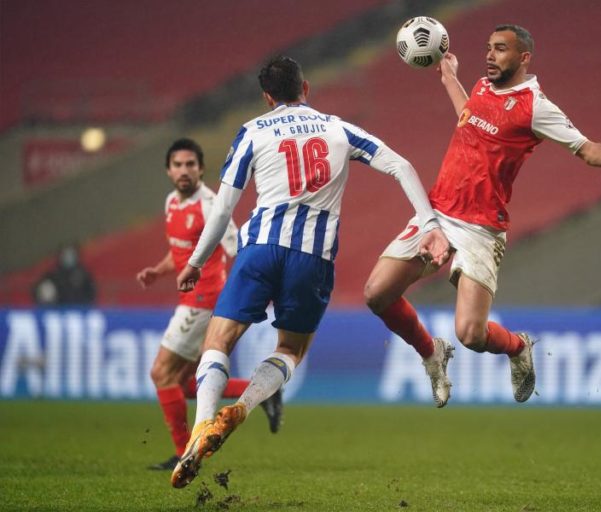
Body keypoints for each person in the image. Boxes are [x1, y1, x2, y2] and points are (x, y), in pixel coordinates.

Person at [170, 56, 450, 489]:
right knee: (290, 350)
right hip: (312, 259)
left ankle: (199, 429)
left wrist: (195, 262)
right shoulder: (338, 128)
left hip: (259, 250)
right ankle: (240, 410)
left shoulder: (253, 131)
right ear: (306, 87)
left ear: (267, 97)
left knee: (218, 342)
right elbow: (401, 166)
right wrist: (429, 223)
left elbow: (224, 208)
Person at [364, 24, 601, 407]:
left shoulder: (536, 106)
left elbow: (584, 148)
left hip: (480, 228)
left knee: (471, 334)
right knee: (377, 293)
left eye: (500, 49)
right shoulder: (481, 86)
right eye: (488, 48)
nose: (489, 56)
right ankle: (432, 352)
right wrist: (450, 78)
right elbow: (471, 118)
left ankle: (518, 348)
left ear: (524, 57)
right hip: (438, 211)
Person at [137, 138, 283, 471]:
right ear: (168, 170)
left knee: (161, 373)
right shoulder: (172, 202)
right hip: (190, 300)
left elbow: (236, 248)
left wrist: (259, 288)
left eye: (191, 164)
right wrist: (157, 271)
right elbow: (182, 251)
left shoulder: (210, 205)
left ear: (201, 169)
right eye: (178, 164)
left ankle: (183, 452)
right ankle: (262, 391)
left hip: (202, 303)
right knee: (187, 383)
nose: (184, 170)